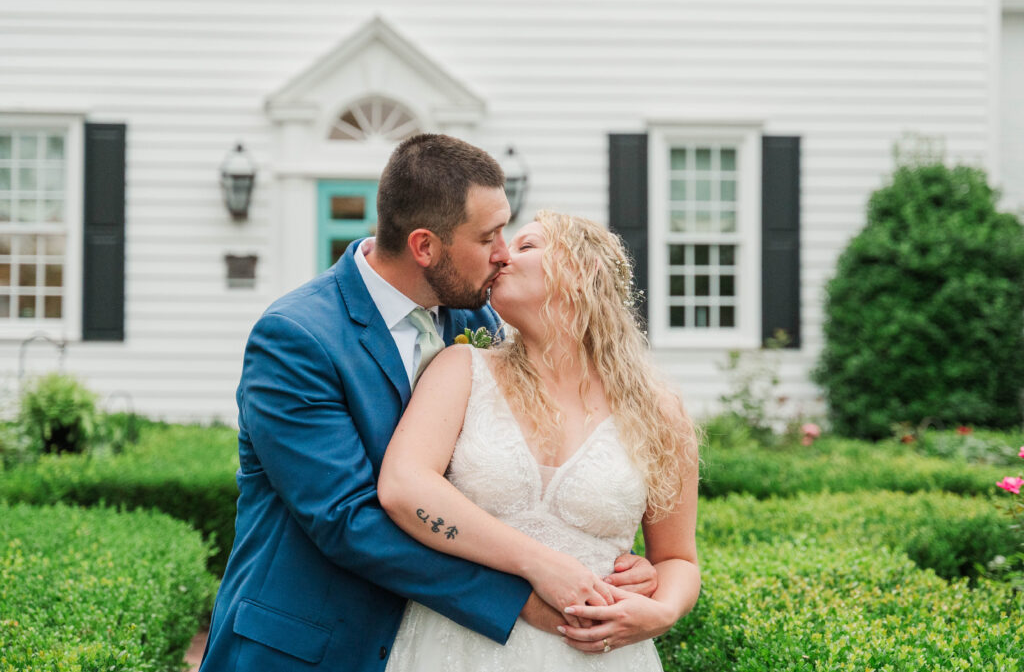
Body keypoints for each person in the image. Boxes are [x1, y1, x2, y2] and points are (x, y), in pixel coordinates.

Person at [199, 135, 657, 672]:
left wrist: (608, 564)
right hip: (308, 646)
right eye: (488, 236)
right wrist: (522, 592)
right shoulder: (297, 337)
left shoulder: (477, 322)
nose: (504, 252)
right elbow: (348, 518)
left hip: (440, 645)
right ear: (425, 247)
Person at [378, 210, 702, 671]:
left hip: (596, 657)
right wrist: (539, 564)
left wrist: (661, 612)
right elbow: (404, 487)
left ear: (585, 272)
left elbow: (676, 559)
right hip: (456, 645)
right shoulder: (462, 369)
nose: (503, 256)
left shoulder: (660, 412)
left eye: (527, 246)